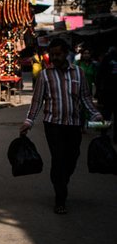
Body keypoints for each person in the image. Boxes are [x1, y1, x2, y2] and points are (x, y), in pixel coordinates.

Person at [20, 37, 103, 215]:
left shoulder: (79, 73)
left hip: (73, 125)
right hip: (53, 125)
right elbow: (37, 102)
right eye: (52, 54)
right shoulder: (44, 75)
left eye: (58, 54)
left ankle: (61, 181)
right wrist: (29, 121)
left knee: (72, 158)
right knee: (58, 159)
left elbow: (86, 99)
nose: (55, 57)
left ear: (66, 54)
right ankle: (60, 197)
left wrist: (97, 116)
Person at [96, 45, 117, 143]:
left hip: (107, 93)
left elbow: (99, 76)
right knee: (106, 115)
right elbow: (99, 76)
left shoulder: (107, 58)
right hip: (108, 93)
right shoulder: (107, 59)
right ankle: (103, 134)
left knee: (106, 115)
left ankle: (103, 134)